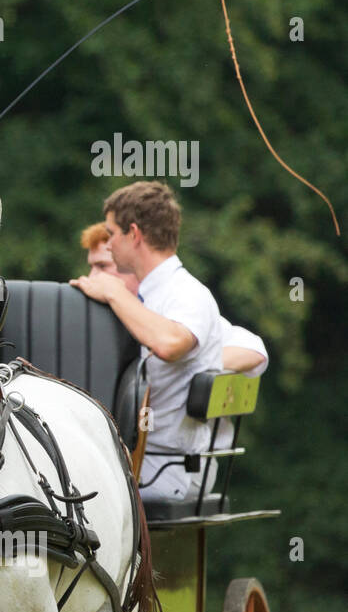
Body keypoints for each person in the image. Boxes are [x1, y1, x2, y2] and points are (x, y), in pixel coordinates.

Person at [69, 181, 223, 500]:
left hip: (168, 469)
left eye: (112, 234)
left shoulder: (187, 293)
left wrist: (112, 292)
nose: (108, 245)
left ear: (134, 234)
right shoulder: (150, 294)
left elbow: (170, 343)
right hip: (140, 462)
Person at [79, 221, 269, 377]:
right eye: (92, 267)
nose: (92, 277)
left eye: (102, 266)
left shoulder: (166, 308)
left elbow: (253, 350)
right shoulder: (86, 312)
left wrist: (184, 363)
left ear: (129, 262)